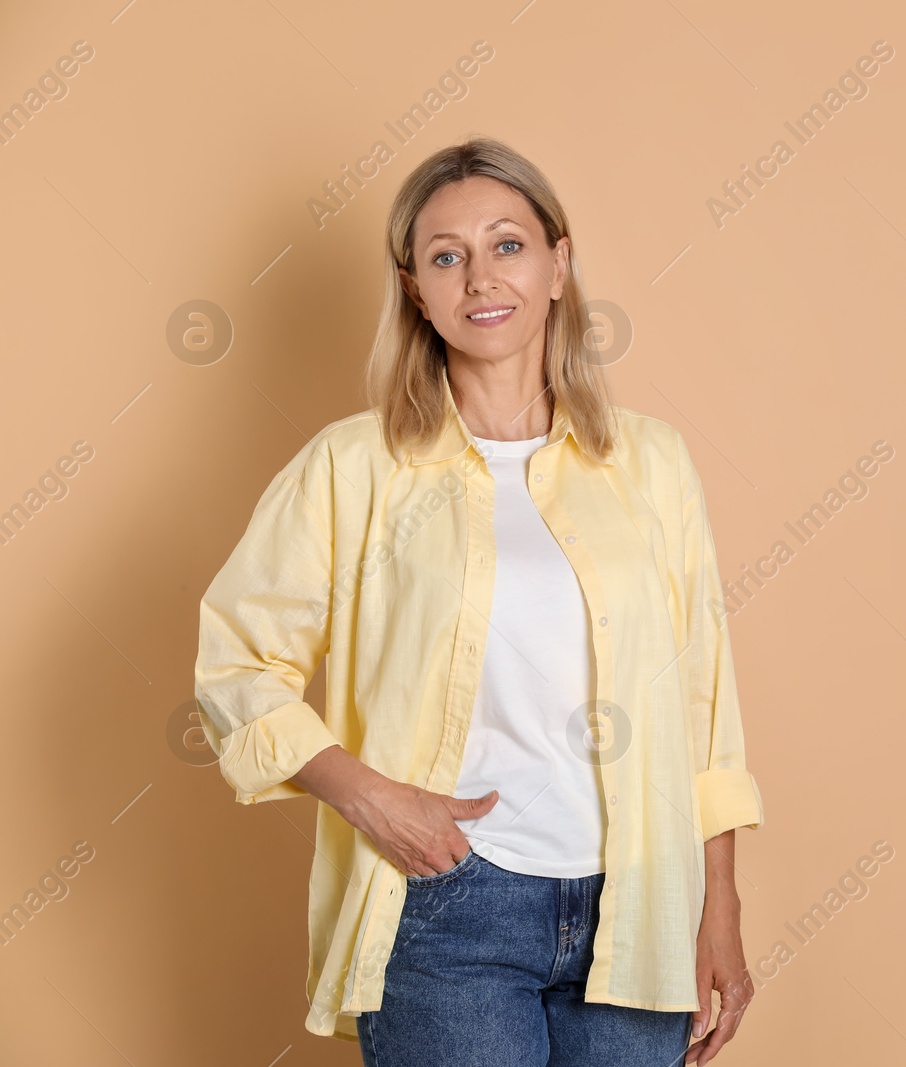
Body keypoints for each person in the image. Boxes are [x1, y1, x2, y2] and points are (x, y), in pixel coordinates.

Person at [193, 137, 764, 1066]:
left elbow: (704, 701)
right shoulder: (354, 467)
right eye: (446, 255)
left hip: (641, 905)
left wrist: (720, 903)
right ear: (416, 287)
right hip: (451, 904)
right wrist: (371, 798)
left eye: (508, 244)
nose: (480, 277)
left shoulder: (650, 463)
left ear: (558, 264)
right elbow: (235, 667)